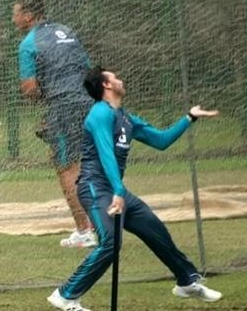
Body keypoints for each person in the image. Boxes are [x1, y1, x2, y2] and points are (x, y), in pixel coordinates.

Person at [47, 66, 222, 311]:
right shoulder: (99, 114)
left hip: (116, 190)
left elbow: (161, 141)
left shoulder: (126, 118)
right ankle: (65, 296)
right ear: (106, 85)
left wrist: (189, 117)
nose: (121, 79)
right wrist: (118, 190)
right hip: (94, 187)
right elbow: (106, 153)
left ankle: (187, 282)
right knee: (110, 243)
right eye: (115, 77)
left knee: (155, 230)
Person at [12, 0, 96, 248]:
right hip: (91, 102)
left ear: (27, 16)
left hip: (65, 105)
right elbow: (87, 68)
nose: (13, 18)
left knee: (66, 167)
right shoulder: (66, 31)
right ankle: (103, 224)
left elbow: (29, 88)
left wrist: (44, 103)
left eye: (15, 13)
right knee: (88, 164)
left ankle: (84, 231)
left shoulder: (28, 44)